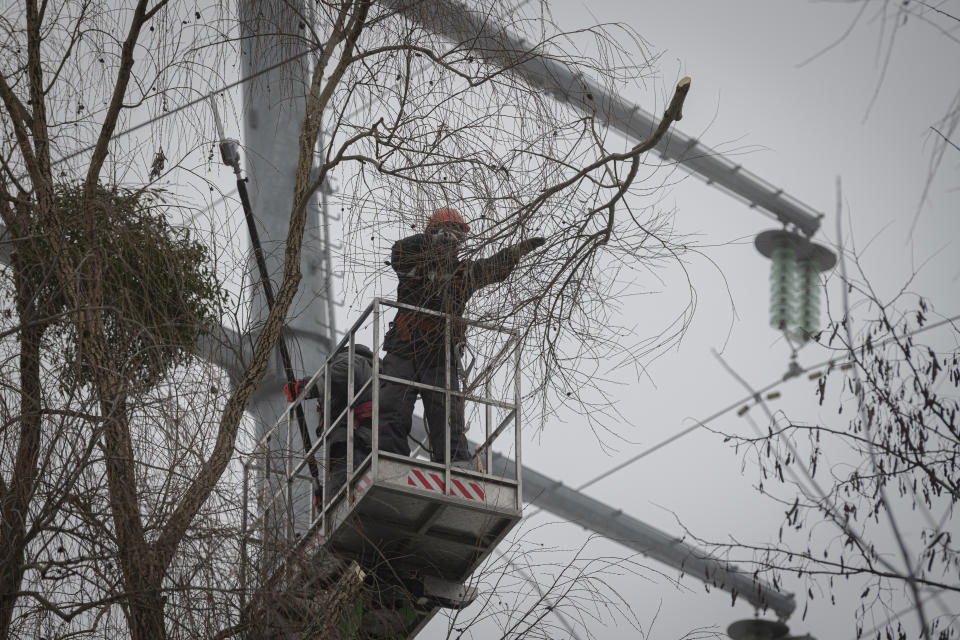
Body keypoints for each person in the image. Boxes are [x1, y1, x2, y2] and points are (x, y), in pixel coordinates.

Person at [378, 207, 545, 465]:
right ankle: (389, 461)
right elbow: (399, 251)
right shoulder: (412, 264)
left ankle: (454, 466)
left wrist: (514, 253)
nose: (452, 243)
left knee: (447, 417)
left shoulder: (463, 273)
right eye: (446, 235)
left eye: (458, 237)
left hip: (440, 354)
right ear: (432, 234)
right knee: (391, 408)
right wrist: (429, 240)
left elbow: (492, 269)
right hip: (405, 347)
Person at [284, 344, 377, 493]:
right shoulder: (371, 369)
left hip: (353, 442)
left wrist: (306, 388)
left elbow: (343, 374)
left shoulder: (350, 359)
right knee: (339, 489)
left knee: (342, 491)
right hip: (360, 441)